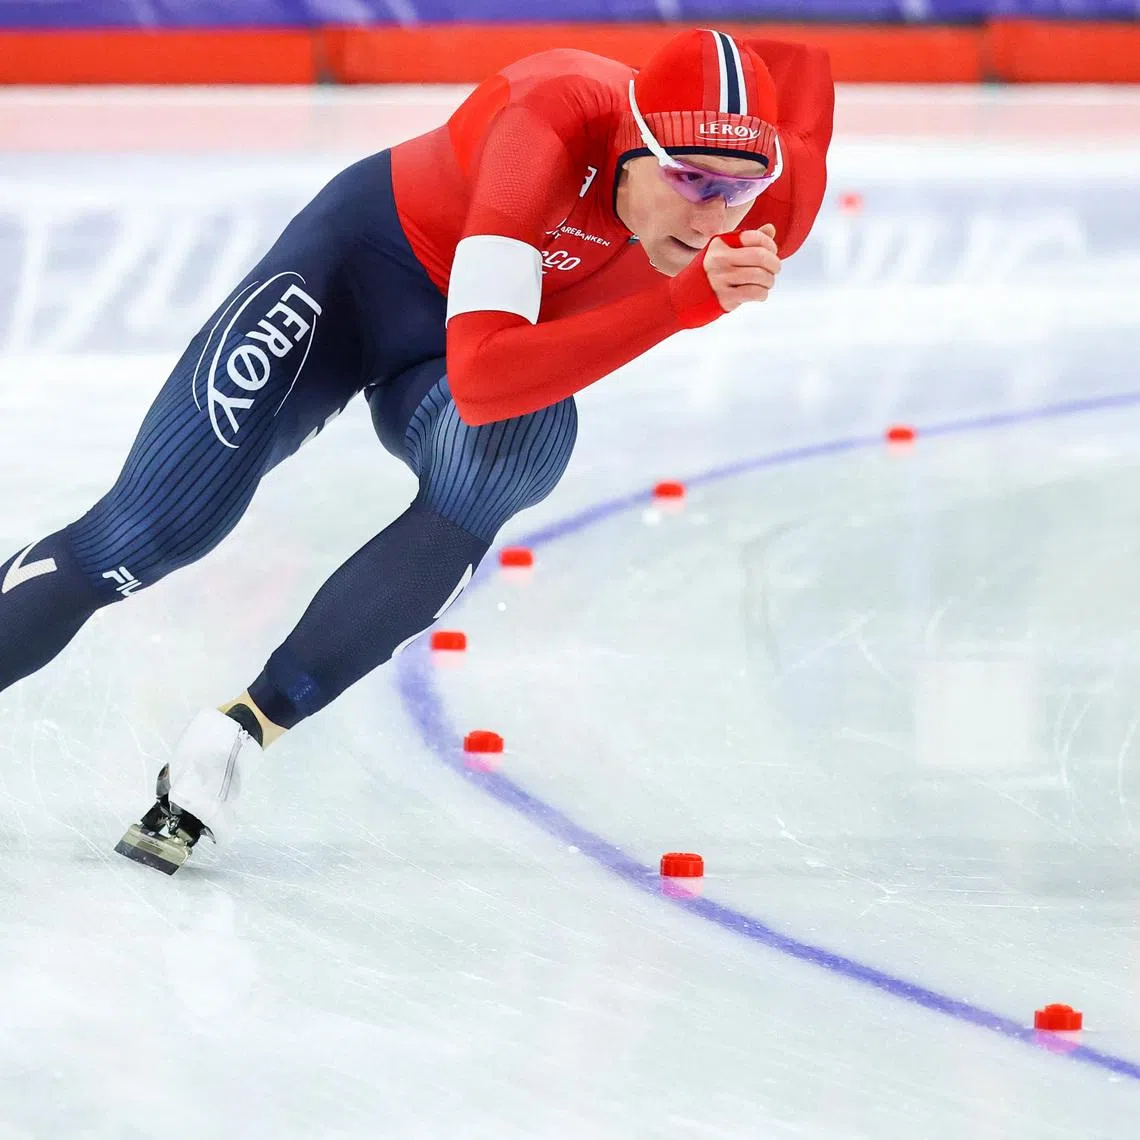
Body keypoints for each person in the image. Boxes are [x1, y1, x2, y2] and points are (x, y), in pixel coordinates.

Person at [0, 28, 834, 873]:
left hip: (447, 363)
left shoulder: (765, 197)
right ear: (629, 146)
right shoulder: (544, 124)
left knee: (520, 448)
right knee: (148, 535)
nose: (716, 212)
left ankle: (244, 729)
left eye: (741, 186)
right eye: (689, 179)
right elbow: (481, 374)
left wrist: (723, 213)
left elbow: (806, 70)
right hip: (357, 282)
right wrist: (679, 306)